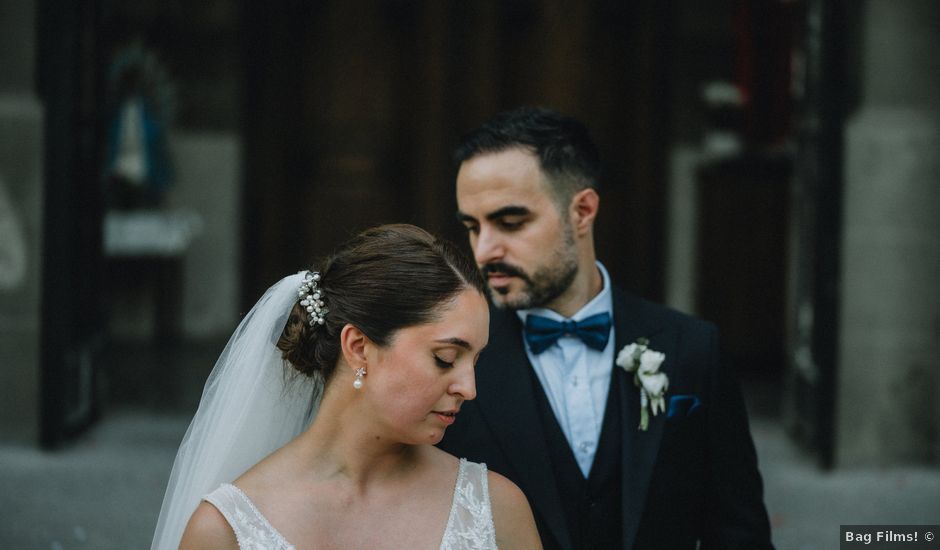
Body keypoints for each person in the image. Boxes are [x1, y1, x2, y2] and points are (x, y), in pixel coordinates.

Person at [438, 107, 774, 549]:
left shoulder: (693, 348)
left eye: (510, 222)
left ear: (582, 211)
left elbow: (738, 532)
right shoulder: (452, 362)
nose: (484, 251)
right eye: (472, 227)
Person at [152, 224, 542, 549]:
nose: (469, 389)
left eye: (475, 361)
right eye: (445, 358)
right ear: (358, 347)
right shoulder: (225, 531)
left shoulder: (496, 509)